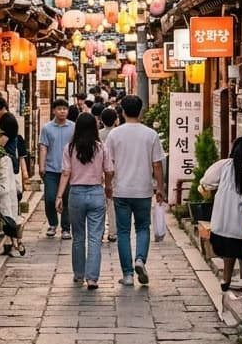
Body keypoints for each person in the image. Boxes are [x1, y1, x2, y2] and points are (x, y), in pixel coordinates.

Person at [104, 95, 166, 286]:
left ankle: (128, 275)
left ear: (121, 112)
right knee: (142, 228)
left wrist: (108, 185)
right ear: (140, 111)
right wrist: (160, 188)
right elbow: (157, 164)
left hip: (121, 189)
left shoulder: (114, 134)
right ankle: (140, 259)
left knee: (123, 231)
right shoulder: (150, 134)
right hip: (143, 190)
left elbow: (109, 165)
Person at [55, 112, 113, 289]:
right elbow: (109, 171)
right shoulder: (101, 147)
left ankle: (79, 274)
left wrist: (59, 196)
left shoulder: (70, 148)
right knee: (95, 238)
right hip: (96, 192)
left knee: (78, 237)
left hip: (76, 194)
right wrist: (108, 187)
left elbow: (66, 172)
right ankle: (92, 278)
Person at [202, 137, 242, 291]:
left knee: (229, 253)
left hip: (223, 227)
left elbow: (206, 182)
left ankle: (226, 280)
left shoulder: (224, 166)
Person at [38, 99, 75, 239]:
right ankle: (52, 223)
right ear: (54, 111)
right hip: (51, 169)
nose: (62, 111)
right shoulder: (47, 128)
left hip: (68, 170)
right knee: (49, 198)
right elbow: (43, 147)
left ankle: (66, 228)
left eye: (65, 109)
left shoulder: (73, 127)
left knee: (66, 199)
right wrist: (42, 166)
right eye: (59, 109)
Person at [0, 113, 26, 257]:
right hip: (15, 181)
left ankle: (14, 242)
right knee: (13, 209)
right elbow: (20, 160)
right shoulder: (17, 139)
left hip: (8, 182)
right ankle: (15, 243)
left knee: (7, 208)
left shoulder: (5, 144)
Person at [99, 107, 119, 241]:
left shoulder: (98, 134)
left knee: (100, 205)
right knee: (112, 202)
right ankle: (113, 231)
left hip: (99, 172)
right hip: (116, 171)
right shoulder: (119, 133)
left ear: (101, 120)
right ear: (116, 120)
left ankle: (99, 232)